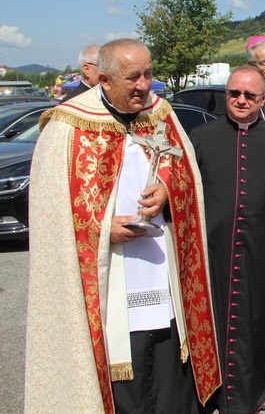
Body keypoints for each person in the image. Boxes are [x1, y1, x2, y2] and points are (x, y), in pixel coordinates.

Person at [24, 38, 221, 413]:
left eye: (148, 74)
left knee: (167, 361)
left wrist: (167, 192)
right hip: (108, 275)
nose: (144, 85)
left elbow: (186, 177)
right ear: (103, 79)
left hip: (162, 269)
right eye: (133, 77)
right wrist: (101, 229)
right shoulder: (67, 126)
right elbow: (50, 213)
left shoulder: (161, 114)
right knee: (121, 367)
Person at [190, 65, 265, 413]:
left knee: (257, 323)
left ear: (263, 99)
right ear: (226, 95)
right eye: (234, 93)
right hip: (213, 252)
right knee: (215, 320)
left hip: (261, 251)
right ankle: (214, 391)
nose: (241, 100)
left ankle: (255, 390)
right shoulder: (202, 137)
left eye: (250, 95)